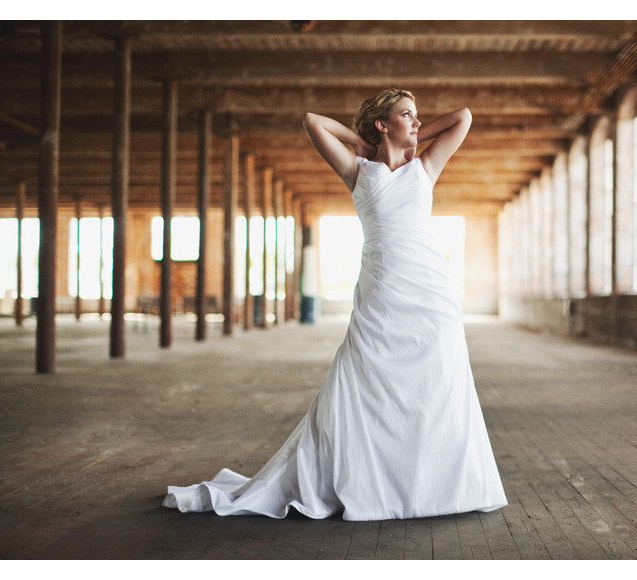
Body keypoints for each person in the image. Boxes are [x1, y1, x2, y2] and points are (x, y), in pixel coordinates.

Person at [163, 89, 507, 521]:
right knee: (363, 378)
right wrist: (363, 143)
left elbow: (464, 116)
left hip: (432, 291)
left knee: (436, 382)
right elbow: (312, 120)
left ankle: (433, 486)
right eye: (406, 115)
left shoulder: (425, 167)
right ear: (382, 124)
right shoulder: (357, 169)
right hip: (383, 288)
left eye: (417, 116)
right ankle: (372, 480)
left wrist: (410, 131)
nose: (418, 123)